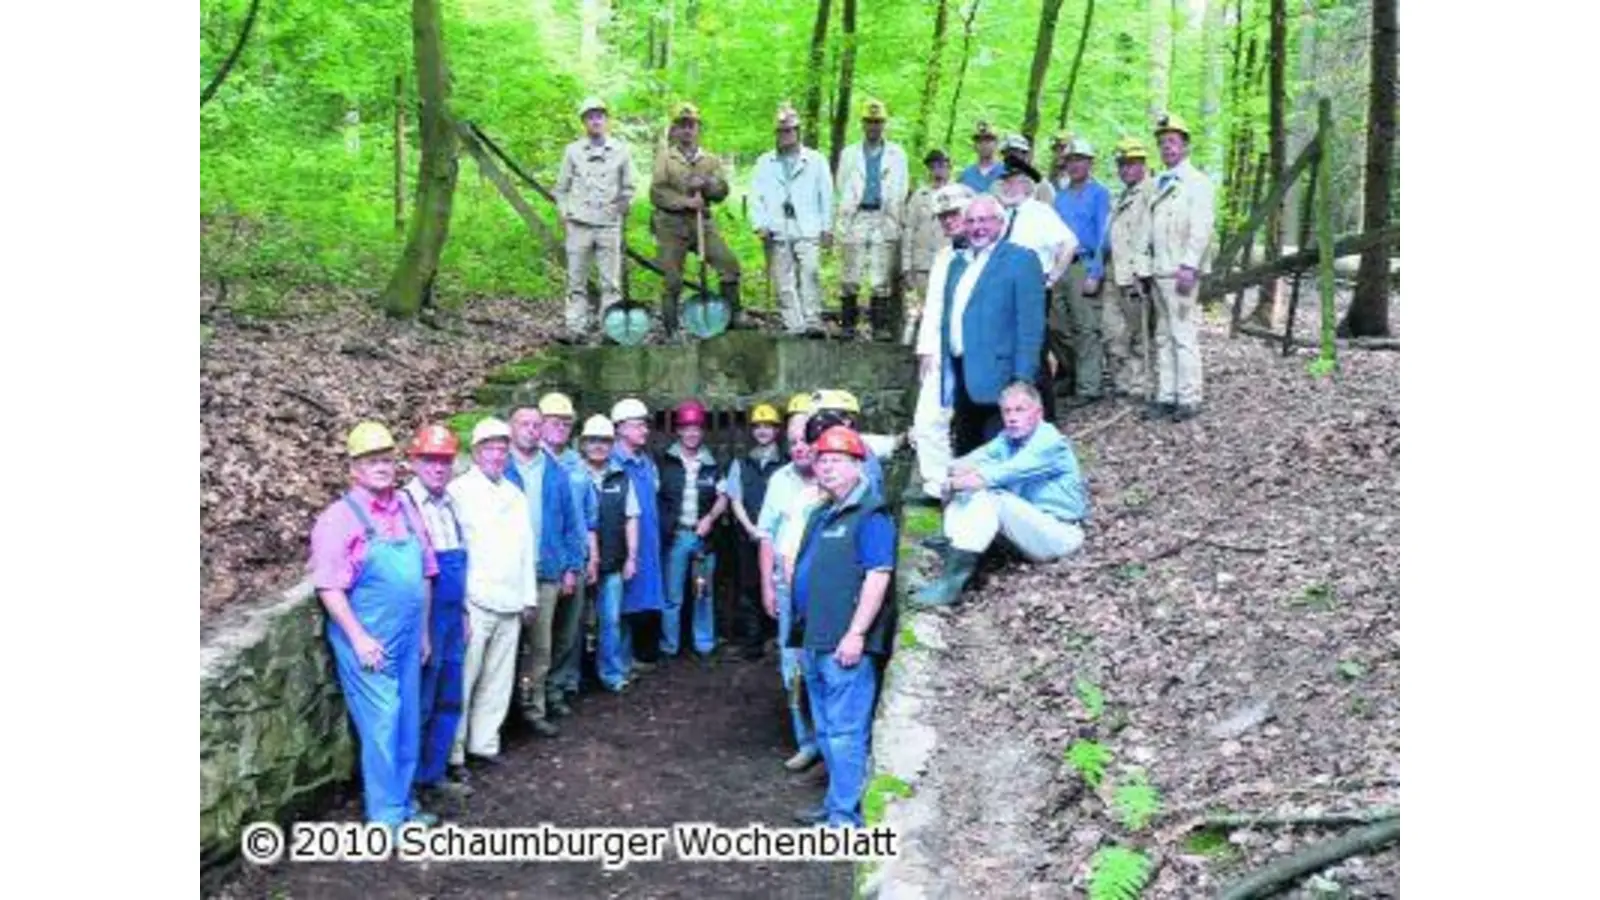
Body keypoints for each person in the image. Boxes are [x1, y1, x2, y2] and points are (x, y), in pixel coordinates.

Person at [308, 421, 440, 830]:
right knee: (383, 722)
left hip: (406, 637)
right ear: (354, 468)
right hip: (368, 642)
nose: (381, 467)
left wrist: (422, 633)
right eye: (371, 460)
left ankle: (403, 804)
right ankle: (384, 819)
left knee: (405, 720)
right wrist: (359, 638)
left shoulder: (406, 508)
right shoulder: (339, 519)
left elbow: (425, 573)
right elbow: (329, 586)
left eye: (386, 458)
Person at [789, 426, 897, 827]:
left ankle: (844, 818)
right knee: (827, 729)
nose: (827, 467)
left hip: (844, 644)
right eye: (822, 460)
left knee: (845, 732)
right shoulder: (821, 512)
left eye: (837, 461)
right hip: (815, 640)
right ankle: (837, 804)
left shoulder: (871, 514)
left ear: (858, 466)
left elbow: (878, 575)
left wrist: (856, 633)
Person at [914, 382, 1088, 608]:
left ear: (1038, 413)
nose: (1012, 417)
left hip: (1059, 533)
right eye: (1007, 411)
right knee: (967, 489)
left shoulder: (1049, 442)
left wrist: (964, 479)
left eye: (1020, 410)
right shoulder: (1008, 439)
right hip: (1025, 530)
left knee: (990, 496)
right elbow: (958, 466)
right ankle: (953, 544)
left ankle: (951, 583)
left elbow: (994, 476)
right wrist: (960, 479)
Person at [447, 418, 535, 773]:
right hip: (475, 600)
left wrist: (529, 596)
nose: (497, 455)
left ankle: (484, 742)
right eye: (490, 448)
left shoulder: (515, 494)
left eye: (502, 448)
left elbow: (527, 548)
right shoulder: (459, 491)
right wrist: (460, 603)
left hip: (511, 599)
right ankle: (454, 752)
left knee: (498, 680)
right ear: (475, 452)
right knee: (465, 679)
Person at [934, 194, 1047, 456]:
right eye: (971, 221)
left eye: (984, 220)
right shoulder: (957, 264)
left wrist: (1022, 380)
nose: (977, 227)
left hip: (1002, 378)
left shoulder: (1020, 259)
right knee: (966, 453)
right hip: (962, 373)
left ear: (1001, 222)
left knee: (1001, 456)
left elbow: (1030, 325)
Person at [400, 424, 473, 805]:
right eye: (430, 460)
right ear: (415, 462)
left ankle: (434, 772)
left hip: (450, 614)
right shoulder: (404, 505)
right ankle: (408, 783)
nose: (439, 468)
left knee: (449, 695)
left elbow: (461, 559)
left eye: (445, 460)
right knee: (421, 700)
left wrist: (462, 610)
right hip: (425, 616)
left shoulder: (450, 504)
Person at [504, 403, 585, 737]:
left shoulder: (554, 471)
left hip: (545, 571)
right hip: (507, 575)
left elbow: (569, 523)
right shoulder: (500, 469)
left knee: (541, 647)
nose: (531, 430)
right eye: (524, 423)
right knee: (505, 647)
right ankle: (504, 711)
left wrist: (570, 566)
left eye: (537, 424)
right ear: (511, 427)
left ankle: (533, 708)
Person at [758, 395, 825, 773]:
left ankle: (829, 742)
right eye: (794, 442)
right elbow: (767, 535)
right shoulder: (779, 482)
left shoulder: (834, 476)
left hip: (823, 589)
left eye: (806, 440)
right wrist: (769, 586)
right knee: (791, 662)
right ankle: (806, 741)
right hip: (787, 586)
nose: (799, 447)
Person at [994, 153, 1079, 417]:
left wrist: (1052, 277)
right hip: (1004, 293)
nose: (1006, 186)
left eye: (1012, 181)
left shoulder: (1040, 213)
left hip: (1032, 292)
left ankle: (1046, 416)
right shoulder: (1004, 216)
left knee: (1034, 353)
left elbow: (1069, 243)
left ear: (1026, 185)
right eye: (1005, 182)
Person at [1147, 113, 1217, 422]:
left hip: (1180, 272)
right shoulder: (1158, 184)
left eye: (1173, 142)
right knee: (1163, 335)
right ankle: (1167, 394)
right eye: (1163, 143)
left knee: (1183, 334)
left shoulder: (1197, 183)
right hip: (1159, 271)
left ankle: (1189, 397)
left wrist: (1189, 265)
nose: (1167, 148)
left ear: (1185, 146)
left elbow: (1201, 228)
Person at [650, 102, 742, 337]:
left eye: (691, 125)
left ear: (698, 128)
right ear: (675, 130)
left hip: (702, 222)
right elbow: (657, 192)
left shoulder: (709, 160)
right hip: (671, 225)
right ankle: (671, 330)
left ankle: (732, 319)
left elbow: (722, 190)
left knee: (729, 265)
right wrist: (685, 202)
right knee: (672, 280)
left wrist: (708, 184)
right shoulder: (665, 158)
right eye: (682, 125)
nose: (687, 130)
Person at [911, 183, 977, 501]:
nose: (949, 221)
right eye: (943, 217)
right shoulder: (943, 258)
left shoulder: (992, 253)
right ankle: (936, 484)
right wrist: (925, 348)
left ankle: (971, 487)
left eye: (954, 214)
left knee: (972, 422)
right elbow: (934, 306)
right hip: (942, 350)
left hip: (977, 351)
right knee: (927, 420)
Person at [553, 97, 635, 344]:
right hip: (579, 224)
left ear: (606, 120)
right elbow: (561, 188)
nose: (595, 120)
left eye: (600, 115)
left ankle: (610, 329)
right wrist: (564, 213)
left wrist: (623, 204)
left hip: (609, 225)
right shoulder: (573, 151)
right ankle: (575, 327)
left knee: (611, 281)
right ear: (583, 122)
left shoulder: (621, 150)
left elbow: (629, 187)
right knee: (576, 279)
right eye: (590, 116)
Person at [657, 399, 730, 664]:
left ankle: (704, 645)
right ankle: (669, 647)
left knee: (703, 593)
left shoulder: (713, 462)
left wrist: (710, 518)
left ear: (702, 431)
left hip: (703, 537)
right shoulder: (665, 461)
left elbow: (724, 496)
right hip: (676, 535)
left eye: (696, 428)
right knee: (672, 596)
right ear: (678, 431)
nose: (691, 433)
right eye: (686, 428)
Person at [751, 104, 833, 338]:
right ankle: (794, 324)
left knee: (810, 272)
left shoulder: (816, 160)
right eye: (780, 131)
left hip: (808, 225)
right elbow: (756, 195)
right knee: (783, 278)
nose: (784, 135)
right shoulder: (764, 162)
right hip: (777, 226)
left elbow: (826, 195)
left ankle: (812, 320)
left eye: (789, 131)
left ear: (798, 132)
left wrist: (827, 227)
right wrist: (759, 224)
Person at [538, 392, 595, 717]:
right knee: (540, 637)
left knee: (568, 633)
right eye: (554, 421)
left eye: (566, 422)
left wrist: (590, 557)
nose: (560, 427)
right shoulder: (532, 463)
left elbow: (588, 515)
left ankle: (555, 689)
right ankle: (533, 697)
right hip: (544, 563)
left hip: (575, 559)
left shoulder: (577, 464)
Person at [834, 98, 910, 341]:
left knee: (881, 274)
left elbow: (902, 186)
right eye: (869, 122)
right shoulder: (849, 154)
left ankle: (880, 326)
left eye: (878, 122)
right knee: (850, 272)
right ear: (863, 124)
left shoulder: (897, 154)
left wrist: (896, 216)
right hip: (857, 215)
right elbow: (841, 184)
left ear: (884, 124)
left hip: (884, 214)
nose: (874, 126)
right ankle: (848, 324)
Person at [576, 414, 641, 693]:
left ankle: (611, 674)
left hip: (613, 561)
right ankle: (574, 679)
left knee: (611, 621)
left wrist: (632, 557)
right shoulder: (573, 475)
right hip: (578, 563)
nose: (598, 446)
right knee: (575, 624)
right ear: (583, 444)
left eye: (604, 441)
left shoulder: (622, 476)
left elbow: (632, 518)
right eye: (593, 441)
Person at [1052, 138, 1114, 407]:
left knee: (1086, 327)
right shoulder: (1060, 197)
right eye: (1070, 160)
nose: (1074, 165)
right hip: (1060, 266)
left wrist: (1096, 272)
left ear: (1090, 163)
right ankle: (1074, 373)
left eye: (1080, 160)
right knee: (1057, 326)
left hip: (1085, 264)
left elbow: (1104, 236)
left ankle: (1089, 387)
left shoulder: (1100, 194)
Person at [723, 402, 787, 660]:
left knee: (779, 583)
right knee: (749, 587)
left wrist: (770, 533)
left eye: (768, 426)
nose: (762, 431)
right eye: (758, 426)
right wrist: (751, 528)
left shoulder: (786, 463)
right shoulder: (741, 463)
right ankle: (753, 643)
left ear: (776, 430)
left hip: (778, 538)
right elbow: (735, 498)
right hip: (747, 537)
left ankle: (777, 639)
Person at [610, 397, 667, 672]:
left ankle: (634, 657)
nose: (645, 430)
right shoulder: (612, 462)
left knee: (642, 599)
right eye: (638, 425)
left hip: (648, 540)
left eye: (645, 425)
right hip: (624, 544)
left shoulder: (645, 462)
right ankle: (617, 662)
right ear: (620, 428)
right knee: (619, 603)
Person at [1106, 137, 1157, 400]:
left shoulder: (1151, 192)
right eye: (1121, 164)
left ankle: (1141, 383)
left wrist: (1143, 271)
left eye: (1130, 164)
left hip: (1136, 274)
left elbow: (1152, 236)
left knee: (1139, 332)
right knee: (1114, 331)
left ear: (1142, 164)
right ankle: (1123, 381)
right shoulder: (1121, 195)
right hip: (1116, 272)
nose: (1125, 169)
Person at [900, 148, 954, 344]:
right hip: (921, 263)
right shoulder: (919, 196)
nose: (937, 170)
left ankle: (941, 347)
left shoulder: (958, 194)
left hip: (947, 261)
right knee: (921, 308)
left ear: (949, 167)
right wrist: (906, 266)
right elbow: (908, 230)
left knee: (944, 307)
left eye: (942, 165)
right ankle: (917, 346)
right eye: (933, 166)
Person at [999, 134, 1056, 204]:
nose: (1010, 157)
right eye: (1007, 153)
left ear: (1025, 155)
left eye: (1015, 152)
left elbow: (1049, 198)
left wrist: (1029, 170)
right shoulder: (999, 183)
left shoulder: (1035, 182)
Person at [957, 120, 1005, 194]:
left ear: (996, 143)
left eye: (988, 140)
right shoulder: (966, 174)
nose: (984, 144)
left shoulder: (1005, 172)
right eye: (979, 141)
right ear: (975, 146)